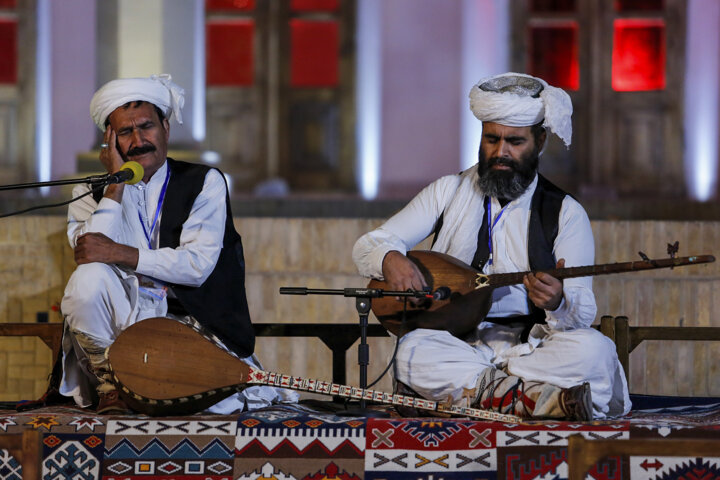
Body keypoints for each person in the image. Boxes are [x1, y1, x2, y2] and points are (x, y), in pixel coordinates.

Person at [352, 72, 631, 420]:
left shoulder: (565, 212)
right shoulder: (448, 191)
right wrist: (390, 258)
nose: (501, 153)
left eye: (515, 142)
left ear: (540, 141)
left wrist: (558, 301)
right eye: (492, 139)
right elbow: (370, 244)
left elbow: (582, 310)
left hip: (533, 349)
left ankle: (486, 396)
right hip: (461, 346)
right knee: (412, 350)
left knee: (595, 352)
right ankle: (538, 401)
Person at [59, 74, 296, 414]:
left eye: (147, 127)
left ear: (166, 129)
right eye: (125, 132)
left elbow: (195, 267)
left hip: (188, 323)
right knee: (88, 277)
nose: (139, 140)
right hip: (121, 326)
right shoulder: (87, 193)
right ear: (109, 142)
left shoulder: (204, 182)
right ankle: (112, 386)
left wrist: (119, 253)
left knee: (213, 403)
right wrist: (115, 186)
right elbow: (89, 254)